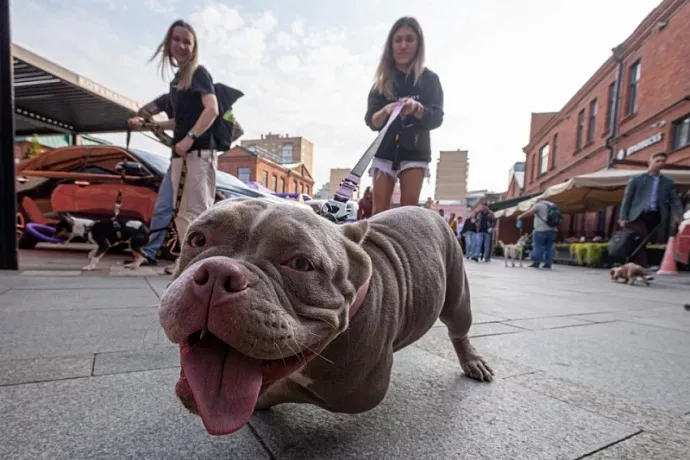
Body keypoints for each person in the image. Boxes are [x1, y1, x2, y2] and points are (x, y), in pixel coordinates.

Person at [129, 19, 220, 273]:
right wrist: (145, 124)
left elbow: (212, 109)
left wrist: (189, 137)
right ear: (168, 44)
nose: (181, 45)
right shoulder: (177, 82)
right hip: (181, 154)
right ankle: (188, 261)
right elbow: (177, 121)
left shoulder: (198, 73)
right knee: (181, 212)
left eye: (187, 41)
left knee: (199, 210)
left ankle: (202, 264)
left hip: (199, 151)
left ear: (194, 46)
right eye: (176, 39)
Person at [364, 16, 444, 215]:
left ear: (418, 44)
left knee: (408, 212)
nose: (403, 45)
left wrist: (417, 109)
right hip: (385, 150)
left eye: (409, 39)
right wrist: (386, 111)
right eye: (398, 40)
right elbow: (371, 121)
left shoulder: (429, 80)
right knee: (379, 212)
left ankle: (406, 246)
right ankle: (377, 246)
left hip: (415, 150)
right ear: (391, 46)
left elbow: (437, 117)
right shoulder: (381, 84)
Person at [125, 93, 176, 267]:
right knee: (163, 208)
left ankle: (192, 256)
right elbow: (145, 111)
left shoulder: (201, 95)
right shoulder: (170, 96)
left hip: (199, 158)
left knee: (193, 210)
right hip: (177, 159)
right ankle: (150, 252)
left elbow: (179, 122)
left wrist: (150, 124)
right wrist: (139, 119)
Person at [619, 152, 683, 267]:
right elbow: (627, 199)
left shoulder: (667, 182)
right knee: (641, 239)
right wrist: (623, 217)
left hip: (655, 216)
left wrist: (679, 214)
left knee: (643, 241)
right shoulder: (637, 179)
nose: (660, 163)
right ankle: (641, 267)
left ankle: (630, 266)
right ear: (650, 162)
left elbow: (675, 199)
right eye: (657, 161)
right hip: (637, 215)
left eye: (663, 161)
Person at [517, 200, 559, 269]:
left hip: (540, 230)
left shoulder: (538, 205)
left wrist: (520, 216)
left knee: (538, 246)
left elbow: (529, 213)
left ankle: (536, 263)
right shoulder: (553, 205)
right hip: (553, 230)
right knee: (549, 247)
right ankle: (548, 264)